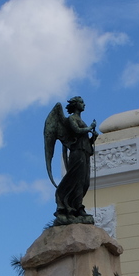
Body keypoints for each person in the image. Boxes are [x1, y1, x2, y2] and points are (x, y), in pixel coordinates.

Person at [44, 96, 97, 225]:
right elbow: (77, 131)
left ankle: (76, 207)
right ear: (76, 105)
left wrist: (93, 138)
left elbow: (84, 139)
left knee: (85, 182)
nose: (84, 104)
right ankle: (74, 207)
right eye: (81, 102)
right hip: (76, 153)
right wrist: (90, 128)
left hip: (84, 151)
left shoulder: (80, 120)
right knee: (76, 180)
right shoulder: (71, 119)